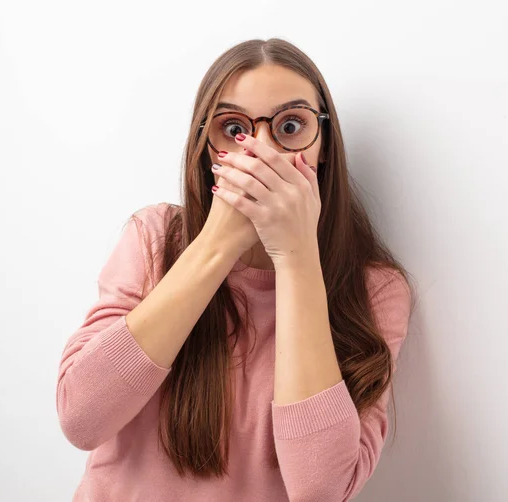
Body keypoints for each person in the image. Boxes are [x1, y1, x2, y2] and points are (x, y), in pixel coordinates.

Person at [56, 37, 415, 502]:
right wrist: (218, 243)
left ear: (323, 144)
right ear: (208, 146)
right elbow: (81, 418)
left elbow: (320, 490)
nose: (260, 151)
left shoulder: (375, 289)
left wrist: (296, 256)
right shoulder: (154, 238)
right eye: (234, 129)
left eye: (290, 126)